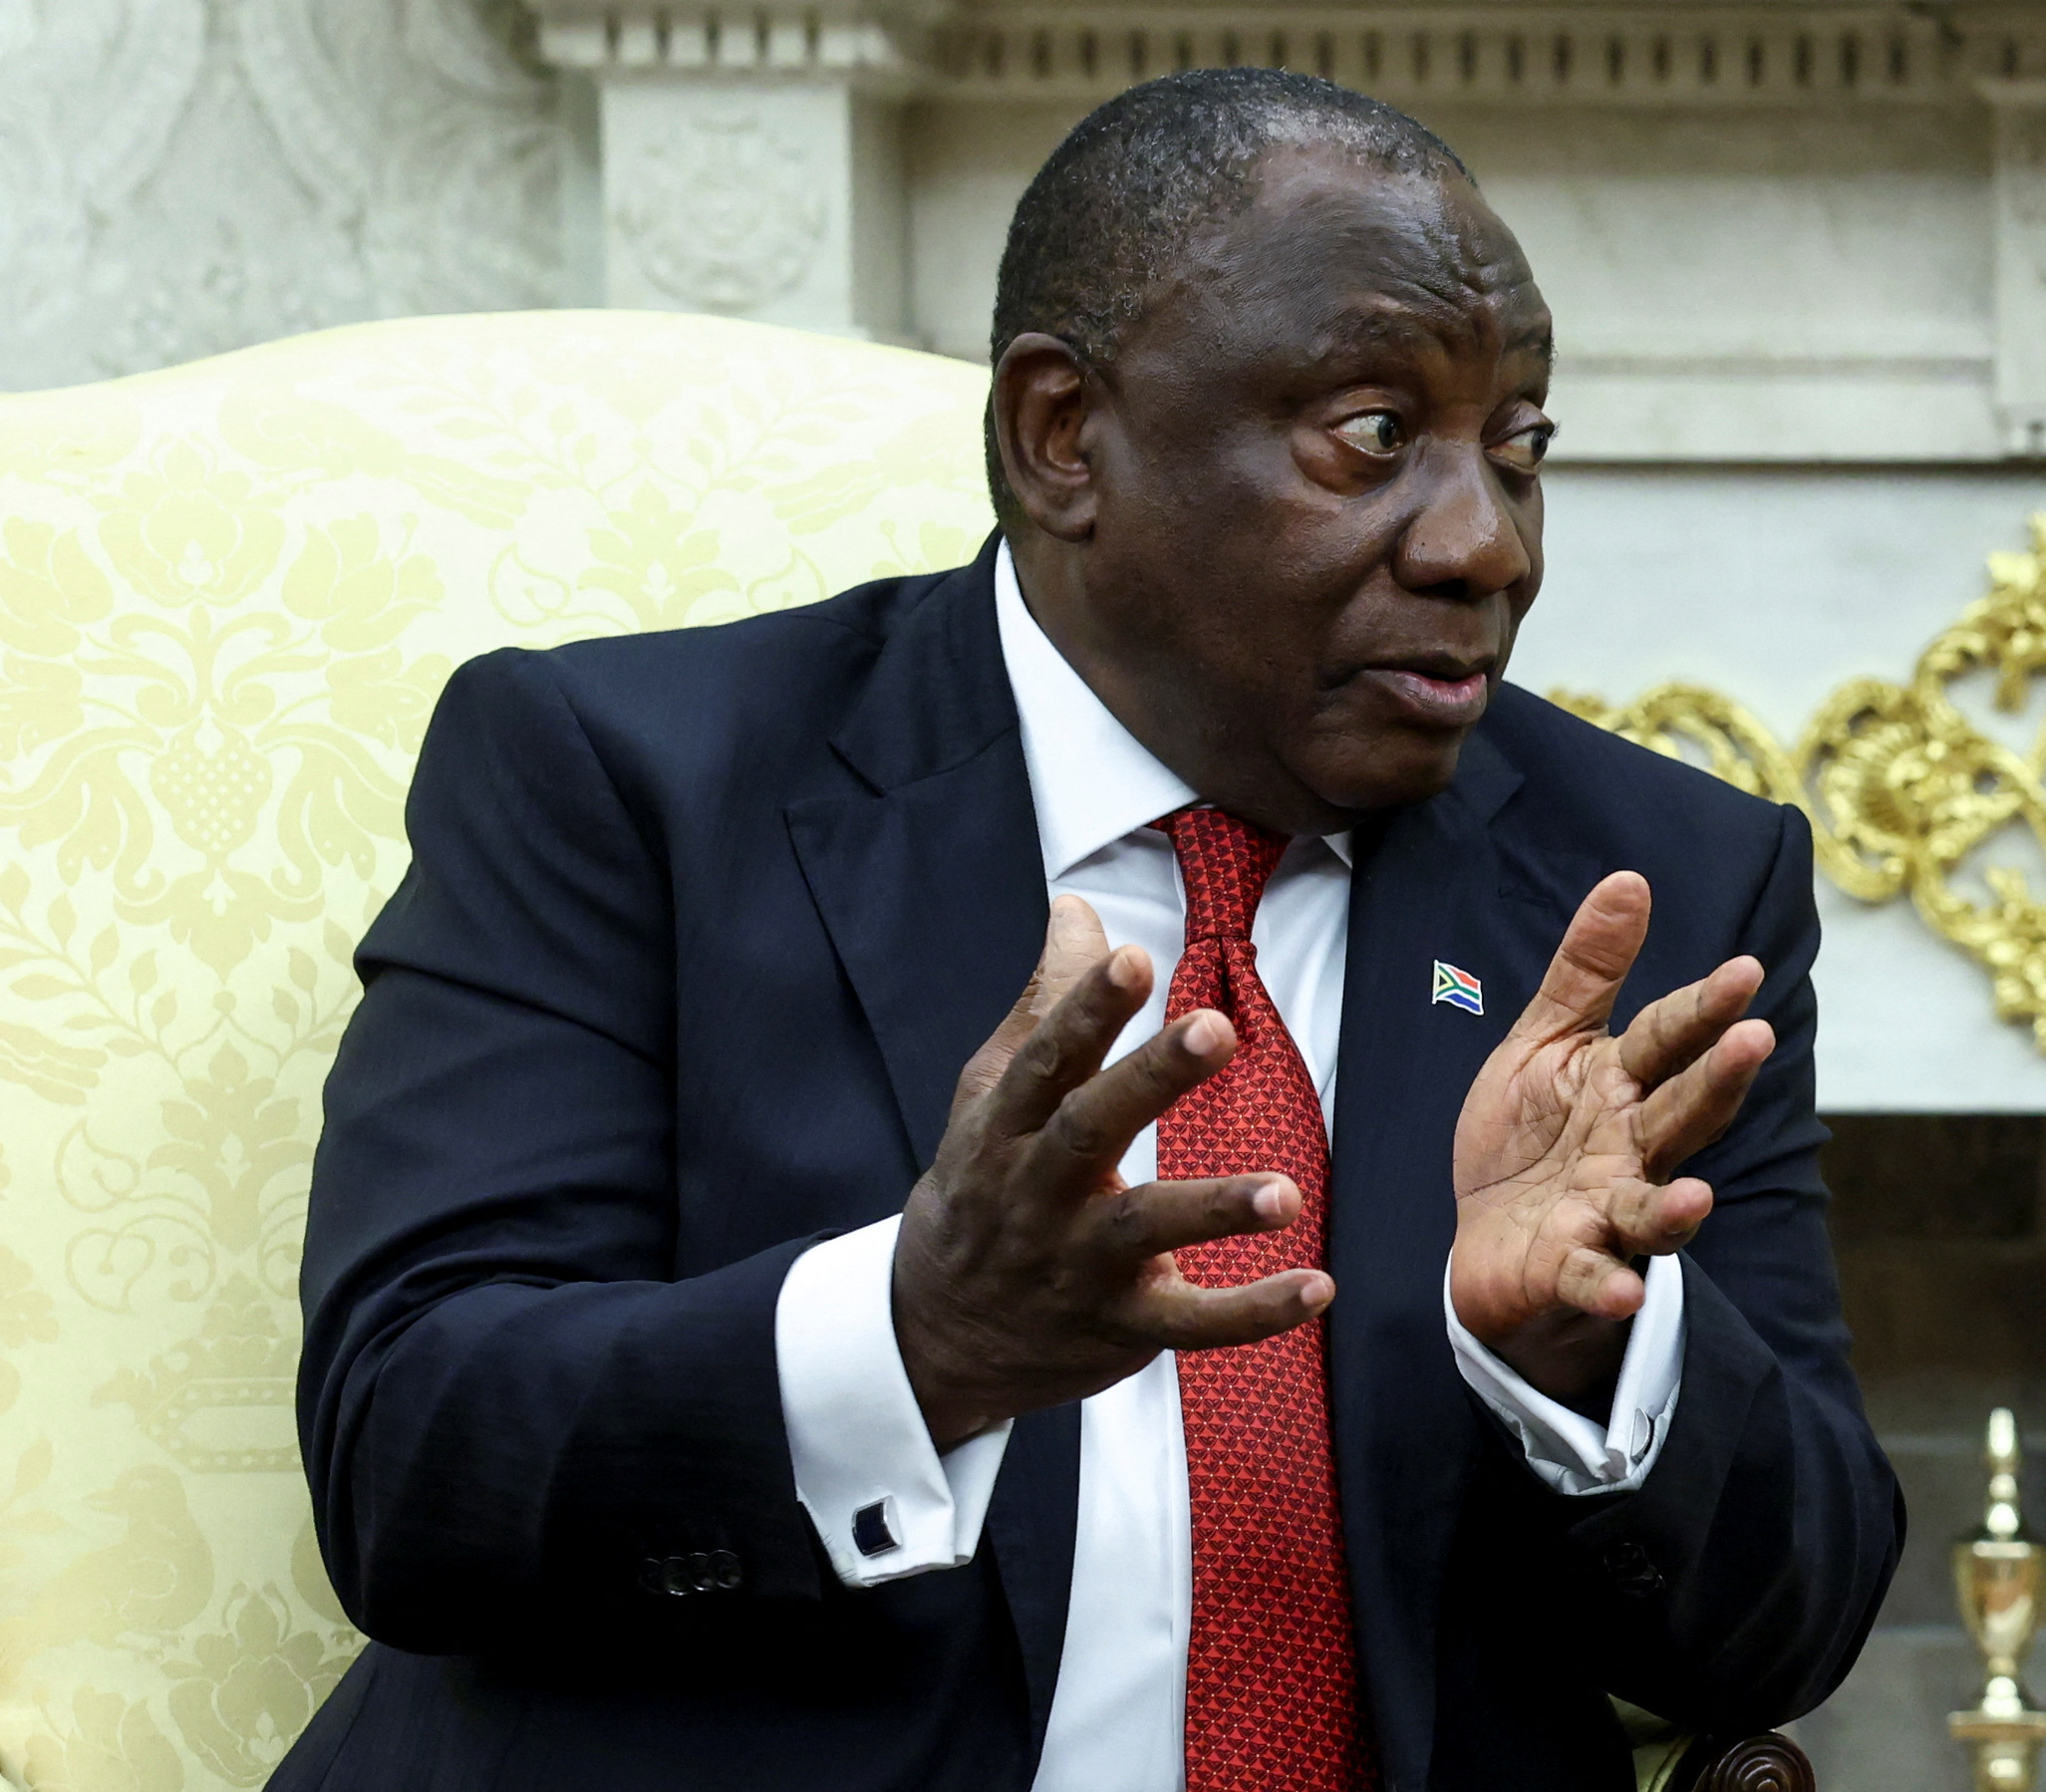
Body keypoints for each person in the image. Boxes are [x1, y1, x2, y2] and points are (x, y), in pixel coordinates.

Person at [277, 68, 1900, 1792]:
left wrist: (1585, 1351)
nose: (1483, 543)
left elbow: (1787, 1631)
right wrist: (909, 1337)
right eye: (1374, 435)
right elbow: (411, 1457)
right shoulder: (634, 787)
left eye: (1518, 448)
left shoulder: (1651, 888)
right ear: (1066, 437)